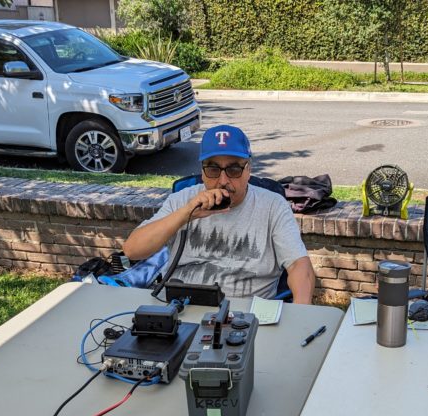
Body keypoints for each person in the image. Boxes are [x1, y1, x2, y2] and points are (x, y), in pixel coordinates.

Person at [123, 125, 316, 304]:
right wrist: (186, 214)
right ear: (202, 171)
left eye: (234, 169)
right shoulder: (182, 201)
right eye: (213, 169)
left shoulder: (273, 206)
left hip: (247, 312)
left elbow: (299, 266)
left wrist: (300, 314)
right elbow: (132, 250)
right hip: (184, 306)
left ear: (248, 170)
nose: (223, 181)